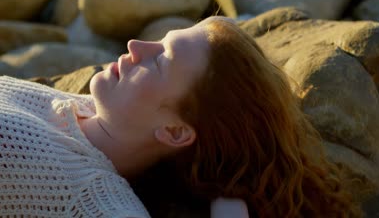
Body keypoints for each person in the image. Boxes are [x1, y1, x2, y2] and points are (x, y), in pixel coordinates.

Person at [0, 16, 360, 217]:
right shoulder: (77, 108)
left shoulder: (96, 203)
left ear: (174, 131)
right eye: (159, 41)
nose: (135, 47)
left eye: (160, 60)